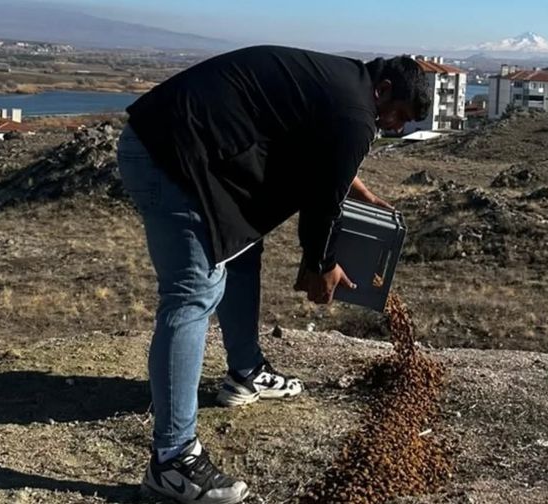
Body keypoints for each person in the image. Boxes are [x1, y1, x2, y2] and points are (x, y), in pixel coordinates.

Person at [118, 45, 429, 503]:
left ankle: (245, 372)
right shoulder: (357, 110)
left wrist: (355, 189)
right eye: (399, 116)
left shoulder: (346, 87)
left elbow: (320, 154)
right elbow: (323, 203)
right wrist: (320, 266)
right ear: (384, 90)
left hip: (190, 152)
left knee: (241, 246)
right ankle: (172, 461)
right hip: (169, 156)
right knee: (192, 295)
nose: (397, 128)